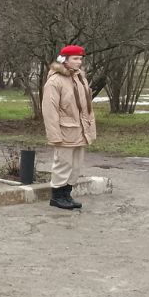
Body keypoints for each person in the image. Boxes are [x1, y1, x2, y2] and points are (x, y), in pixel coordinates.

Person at [42, 44, 97, 211]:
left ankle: (67, 194)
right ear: (64, 60)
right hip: (65, 130)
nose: (79, 62)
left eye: (80, 58)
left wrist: (90, 129)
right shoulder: (55, 81)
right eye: (75, 59)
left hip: (80, 130)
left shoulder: (80, 78)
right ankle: (57, 196)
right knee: (63, 164)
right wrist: (54, 135)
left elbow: (87, 107)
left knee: (75, 165)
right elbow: (50, 110)